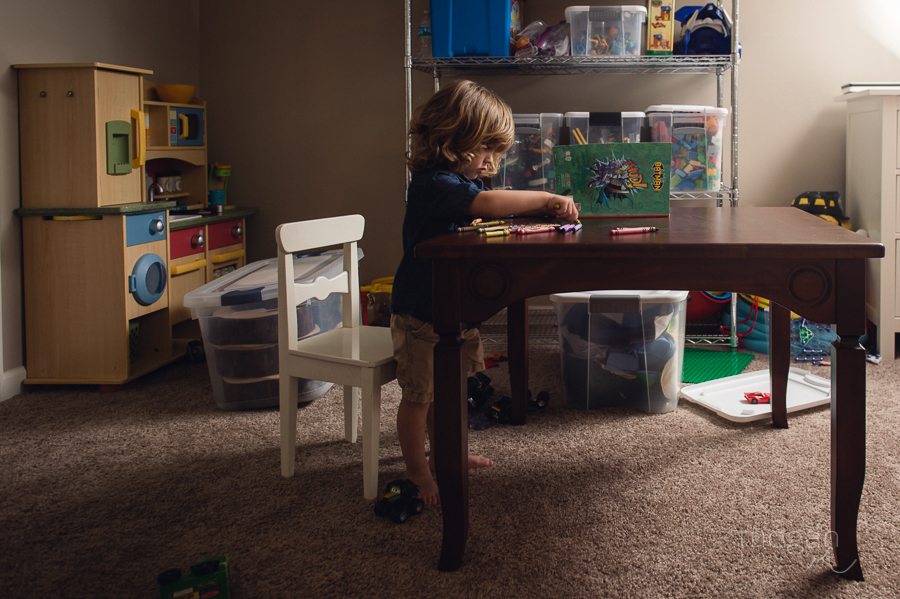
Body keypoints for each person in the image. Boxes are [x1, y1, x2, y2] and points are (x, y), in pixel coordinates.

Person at [390, 80, 579, 506]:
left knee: (448, 390)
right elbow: (489, 204)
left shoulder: (456, 182)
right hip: (422, 312)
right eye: (486, 150)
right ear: (453, 138)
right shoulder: (434, 183)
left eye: (498, 153)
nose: (492, 163)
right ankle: (417, 471)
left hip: (452, 308)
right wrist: (547, 199)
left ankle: (444, 455)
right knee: (420, 397)